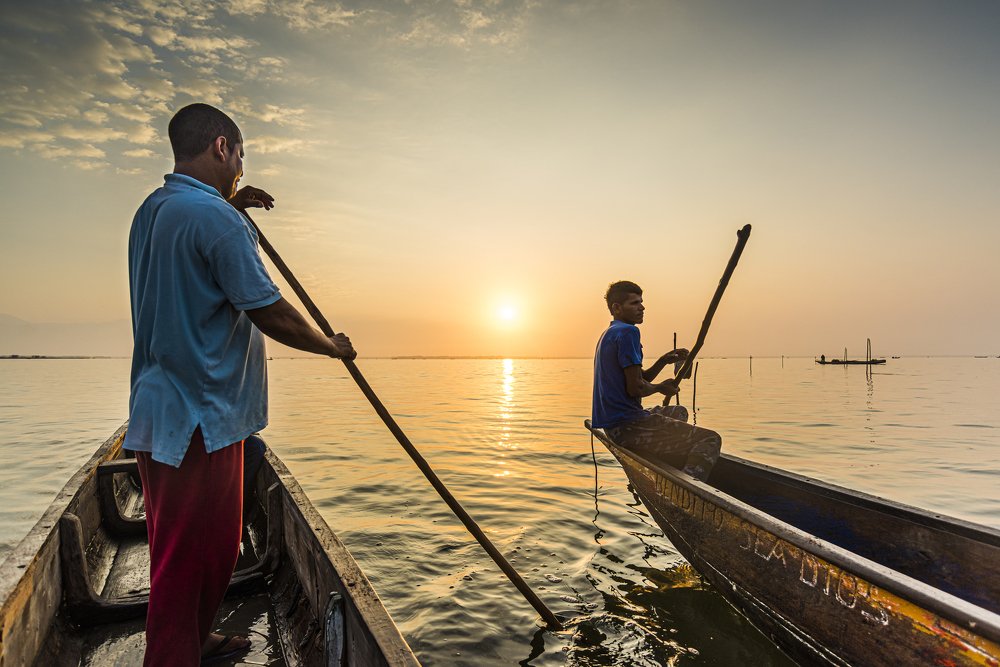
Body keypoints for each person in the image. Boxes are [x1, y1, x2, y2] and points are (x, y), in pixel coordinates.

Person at [124, 103, 356, 666]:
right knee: (195, 559)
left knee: (194, 548)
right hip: (201, 419)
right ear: (222, 146)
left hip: (164, 411)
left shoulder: (155, 210)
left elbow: (196, 268)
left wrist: (231, 205)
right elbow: (268, 309)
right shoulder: (214, 220)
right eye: (241, 153)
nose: (242, 167)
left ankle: (196, 640)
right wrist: (331, 346)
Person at [592, 281, 721, 481]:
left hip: (615, 425)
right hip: (628, 425)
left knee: (679, 412)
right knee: (710, 439)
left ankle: (666, 457)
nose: (642, 307)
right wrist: (661, 388)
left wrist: (663, 361)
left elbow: (640, 378)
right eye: (634, 303)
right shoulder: (628, 332)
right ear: (616, 308)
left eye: (641, 302)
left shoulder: (610, 332)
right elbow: (635, 388)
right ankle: (688, 488)